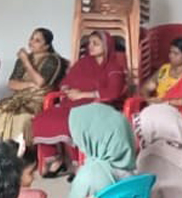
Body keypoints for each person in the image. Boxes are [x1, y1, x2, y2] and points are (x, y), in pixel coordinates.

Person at [32, 31, 129, 177]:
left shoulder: (113, 67)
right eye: (90, 43)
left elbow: (113, 91)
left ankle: (79, 164)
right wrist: (67, 90)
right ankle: (55, 159)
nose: (91, 46)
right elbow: (66, 82)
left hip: (98, 106)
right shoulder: (84, 63)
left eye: (96, 43)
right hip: (72, 104)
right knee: (42, 118)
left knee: (74, 121)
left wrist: (83, 94)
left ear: (106, 46)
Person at [0, 28, 65, 144]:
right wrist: (29, 84)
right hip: (20, 98)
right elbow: (11, 84)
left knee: (21, 117)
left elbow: (40, 82)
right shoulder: (22, 59)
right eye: (32, 38)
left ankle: (18, 150)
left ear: (46, 46)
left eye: (37, 40)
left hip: (37, 101)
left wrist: (26, 61)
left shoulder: (53, 60)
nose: (31, 42)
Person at [140, 38, 182, 117]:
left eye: (176, 53)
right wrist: (148, 100)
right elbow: (146, 88)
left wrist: (167, 102)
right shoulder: (164, 69)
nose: (171, 56)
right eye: (170, 52)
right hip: (159, 110)